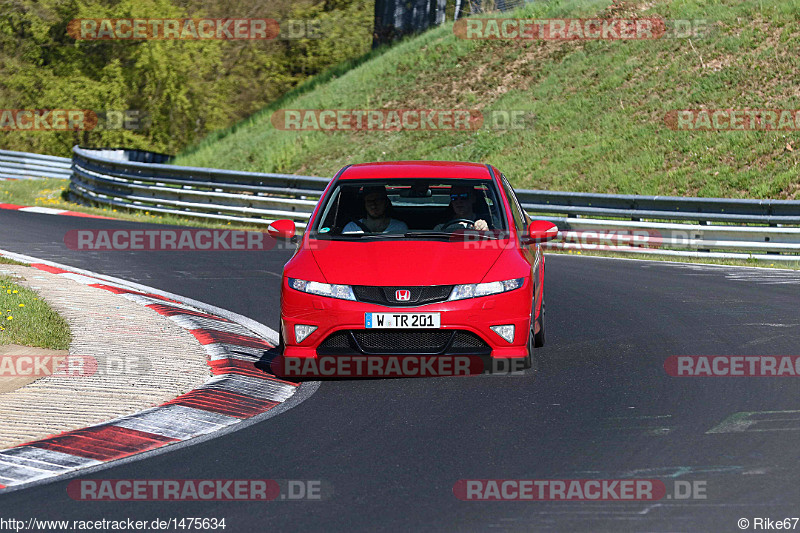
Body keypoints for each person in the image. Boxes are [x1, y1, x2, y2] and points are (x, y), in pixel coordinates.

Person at [343, 186, 408, 234]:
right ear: (364, 204)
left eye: (378, 200)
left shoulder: (399, 228)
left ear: (386, 203)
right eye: (369, 201)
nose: (373, 205)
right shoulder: (351, 229)